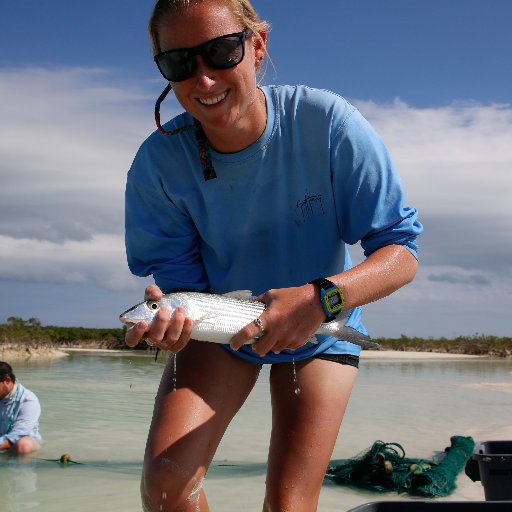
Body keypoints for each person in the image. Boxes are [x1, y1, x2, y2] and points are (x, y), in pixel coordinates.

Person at [124, 1, 423, 510]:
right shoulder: (157, 164)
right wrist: (173, 320)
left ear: (257, 45)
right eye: (178, 63)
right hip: (222, 330)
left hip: (321, 321)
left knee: (289, 504)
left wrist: (323, 299)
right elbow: (181, 284)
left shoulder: (326, 122)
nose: (204, 80)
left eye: (220, 52)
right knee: (166, 487)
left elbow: (401, 250)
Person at [0, 362, 42, 454]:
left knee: (23, 445)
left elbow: (17, 435)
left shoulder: (28, 400)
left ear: (7, 380)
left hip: (23, 441)